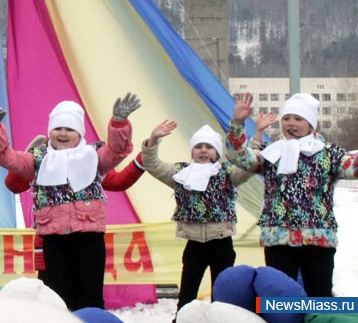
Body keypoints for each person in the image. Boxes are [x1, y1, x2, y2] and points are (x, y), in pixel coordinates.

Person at [0, 94, 138, 311]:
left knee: (91, 298)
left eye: (69, 129)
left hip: (89, 239)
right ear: (50, 132)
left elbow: (118, 150)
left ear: (79, 133)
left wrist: (119, 123)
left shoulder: (93, 156)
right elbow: (5, 157)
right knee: (57, 301)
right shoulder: (37, 160)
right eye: (58, 128)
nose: (63, 133)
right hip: (54, 242)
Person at [225, 92, 358, 298]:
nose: (291, 124)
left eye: (298, 119)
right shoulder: (272, 153)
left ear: (311, 124)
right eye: (286, 118)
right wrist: (237, 123)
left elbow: (354, 167)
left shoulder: (329, 154)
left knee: (319, 299)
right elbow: (238, 157)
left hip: (318, 240)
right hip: (278, 240)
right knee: (280, 302)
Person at [142, 116, 272, 312]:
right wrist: (153, 139)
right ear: (192, 151)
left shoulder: (227, 173)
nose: (203, 150)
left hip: (222, 243)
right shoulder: (180, 174)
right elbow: (152, 164)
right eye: (199, 146)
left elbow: (250, 165)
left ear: (217, 152)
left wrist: (259, 134)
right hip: (194, 245)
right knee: (187, 295)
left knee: (221, 295)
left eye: (209, 147)